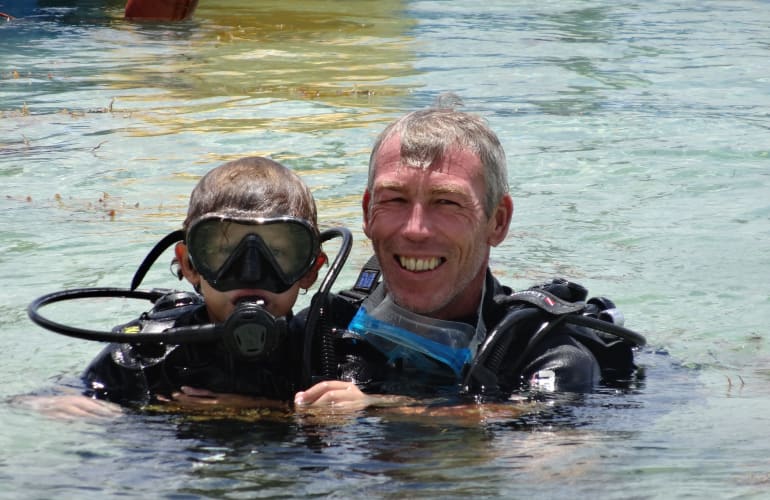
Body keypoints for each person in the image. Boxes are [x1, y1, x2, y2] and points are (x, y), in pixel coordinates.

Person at [295, 101, 644, 408]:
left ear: (497, 221)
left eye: (446, 202)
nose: (415, 230)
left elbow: (551, 462)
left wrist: (385, 408)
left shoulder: (545, 352)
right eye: (395, 199)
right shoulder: (322, 330)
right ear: (368, 212)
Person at [23, 156, 329, 416]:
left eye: (277, 254)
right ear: (189, 265)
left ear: (309, 269)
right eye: (224, 253)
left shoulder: (326, 352)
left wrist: (261, 410)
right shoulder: (150, 352)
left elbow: (368, 410)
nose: (250, 272)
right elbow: (39, 399)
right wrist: (63, 404)